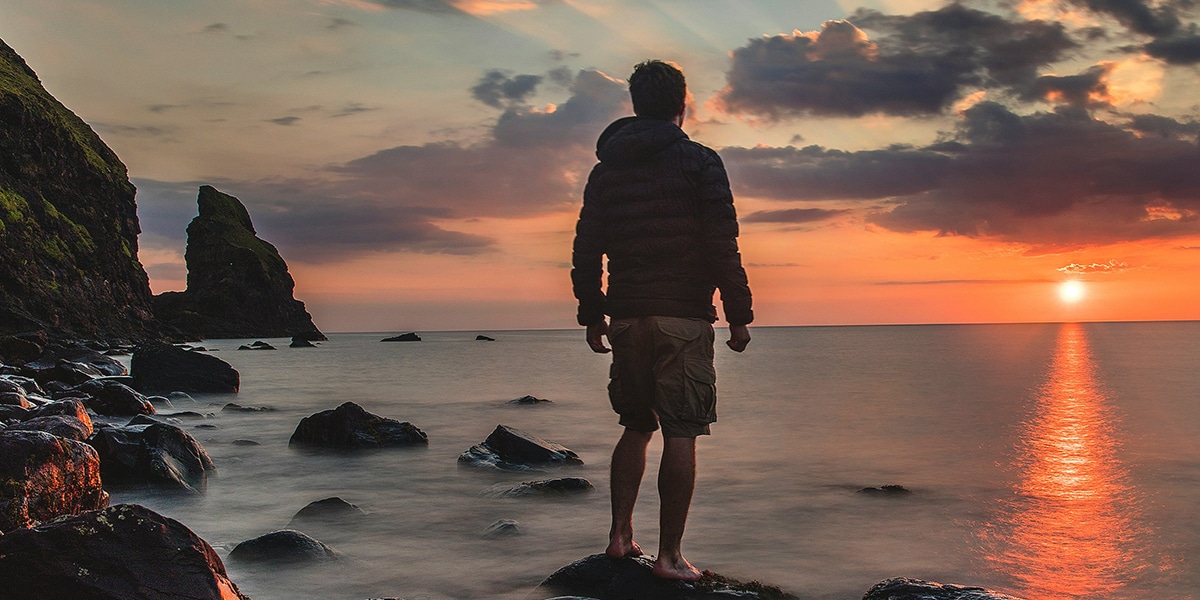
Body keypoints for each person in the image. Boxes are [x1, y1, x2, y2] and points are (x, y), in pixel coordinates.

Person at [570, 59, 753, 582]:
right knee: (681, 431)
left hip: (627, 317)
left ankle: (619, 537)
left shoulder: (606, 171)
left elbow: (587, 248)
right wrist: (738, 316)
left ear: (634, 104)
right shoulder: (700, 162)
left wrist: (592, 312)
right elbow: (723, 241)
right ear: (682, 104)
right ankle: (670, 557)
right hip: (683, 317)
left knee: (635, 425)